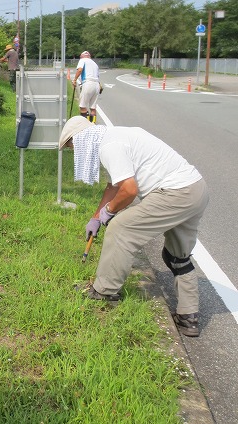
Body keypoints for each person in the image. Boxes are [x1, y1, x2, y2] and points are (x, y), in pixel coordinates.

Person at [58, 116, 209, 337]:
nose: (74, 151)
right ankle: (189, 317)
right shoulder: (115, 136)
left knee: (120, 229)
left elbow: (128, 191)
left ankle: (105, 291)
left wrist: (110, 213)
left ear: (80, 139)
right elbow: (115, 185)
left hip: (175, 193)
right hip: (196, 189)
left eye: (71, 146)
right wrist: (97, 217)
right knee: (177, 256)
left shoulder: (109, 146)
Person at [72, 50, 100, 122]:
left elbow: (80, 70)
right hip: (96, 84)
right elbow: (98, 75)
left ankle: (86, 125)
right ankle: (93, 124)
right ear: (89, 56)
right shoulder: (95, 64)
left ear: (81, 56)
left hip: (88, 83)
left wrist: (74, 80)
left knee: (82, 106)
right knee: (93, 107)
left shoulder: (83, 60)